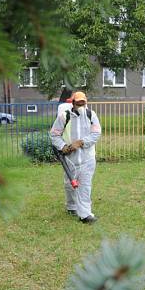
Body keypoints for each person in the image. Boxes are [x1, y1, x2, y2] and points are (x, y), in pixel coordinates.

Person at [49, 91, 101, 223]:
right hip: (70, 158)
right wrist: (63, 146)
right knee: (69, 184)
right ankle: (72, 206)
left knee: (84, 185)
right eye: (78, 103)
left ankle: (85, 215)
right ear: (73, 103)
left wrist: (82, 142)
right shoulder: (64, 117)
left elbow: (96, 133)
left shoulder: (91, 115)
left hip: (87, 158)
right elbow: (54, 135)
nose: (81, 106)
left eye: (83, 103)